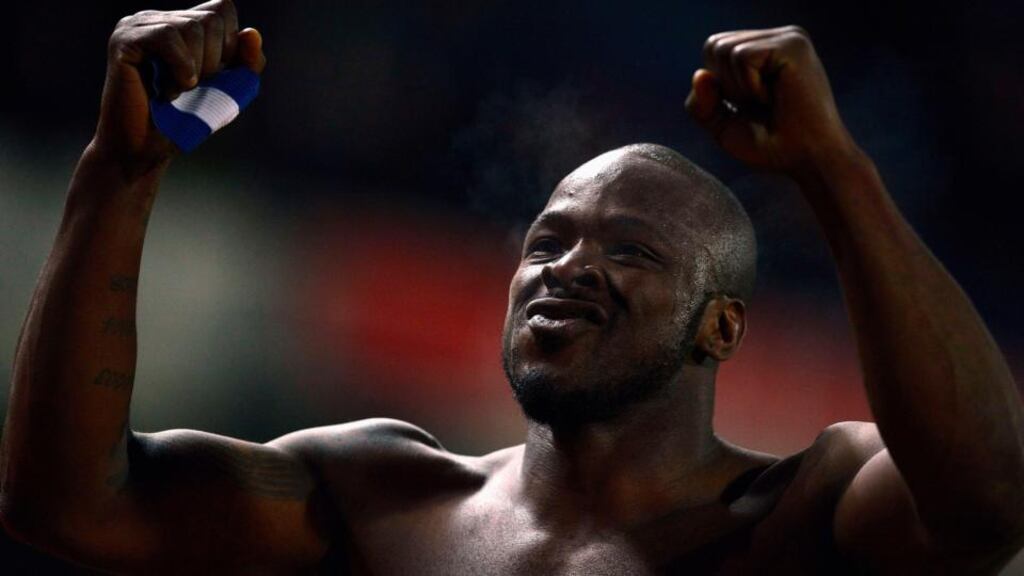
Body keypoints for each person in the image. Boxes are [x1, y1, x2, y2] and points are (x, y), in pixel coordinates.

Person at [2, 1, 1022, 573]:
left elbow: (989, 498)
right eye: (546, 242)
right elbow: (70, 506)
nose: (567, 267)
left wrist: (836, 174)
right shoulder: (380, 494)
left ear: (719, 327)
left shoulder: (806, 509)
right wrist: (116, 177)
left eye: (632, 252)